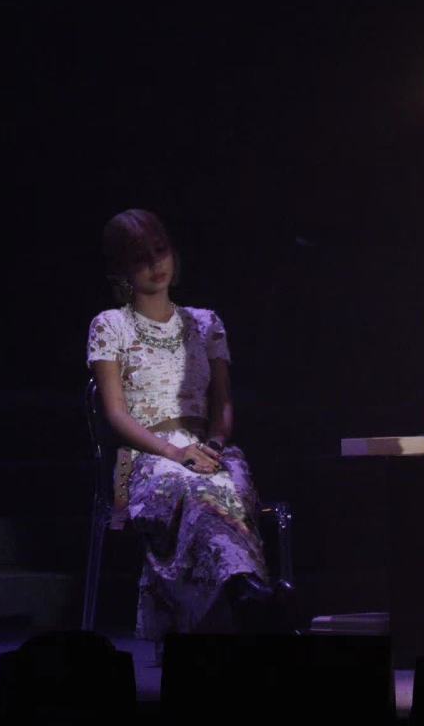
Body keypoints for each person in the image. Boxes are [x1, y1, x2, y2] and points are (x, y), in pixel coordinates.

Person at [86, 209, 273, 653]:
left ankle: (239, 595)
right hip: (146, 456)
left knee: (225, 484)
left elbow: (222, 404)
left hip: (207, 447)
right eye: (140, 257)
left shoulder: (206, 323)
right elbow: (116, 415)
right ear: (121, 269)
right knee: (194, 492)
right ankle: (242, 595)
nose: (155, 264)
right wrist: (174, 453)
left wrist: (214, 445)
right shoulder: (109, 325)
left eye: (160, 250)